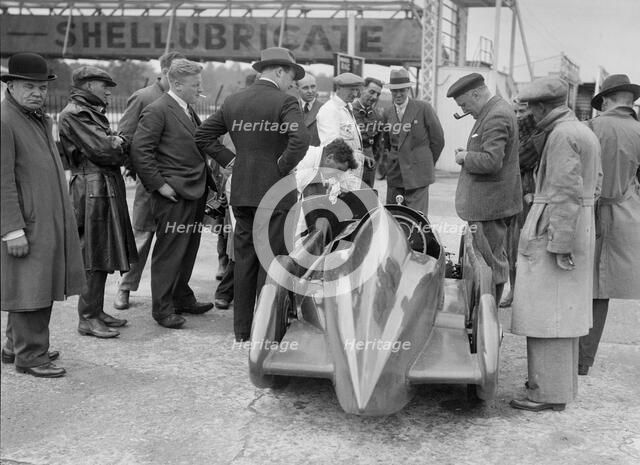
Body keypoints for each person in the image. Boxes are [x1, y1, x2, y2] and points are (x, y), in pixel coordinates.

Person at [195, 47, 309, 342]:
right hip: (275, 194)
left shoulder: (235, 100)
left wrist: (232, 161)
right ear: (279, 71)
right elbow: (300, 140)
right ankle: (266, 329)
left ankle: (242, 331)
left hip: (243, 193)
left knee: (244, 261)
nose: (291, 83)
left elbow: (202, 135)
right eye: (291, 76)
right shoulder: (286, 101)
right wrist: (281, 168)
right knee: (271, 261)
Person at [510, 77, 602, 412]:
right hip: (577, 225)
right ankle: (558, 388)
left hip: (557, 229)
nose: (529, 113)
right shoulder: (580, 130)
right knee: (564, 315)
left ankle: (545, 393)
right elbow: (594, 184)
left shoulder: (562, 135)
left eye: (531, 107)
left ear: (541, 106)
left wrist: (560, 243)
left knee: (547, 316)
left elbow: (564, 192)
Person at [1, 52, 85, 377]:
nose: (37, 92)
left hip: (41, 220)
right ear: (11, 86)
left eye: (41, 87)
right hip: (25, 224)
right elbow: (2, 181)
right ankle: (31, 356)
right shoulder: (6, 120)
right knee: (31, 288)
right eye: (29, 86)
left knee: (32, 285)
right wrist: (11, 230)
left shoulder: (33, 116)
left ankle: (14, 346)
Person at [131, 59, 213, 329]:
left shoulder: (186, 108)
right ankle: (163, 309)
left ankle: (181, 296)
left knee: (188, 248)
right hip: (173, 195)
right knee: (169, 252)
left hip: (193, 191)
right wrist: (160, 185)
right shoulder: (158, 110)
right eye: (195, 84)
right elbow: (140, 152)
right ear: (176, 84)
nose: (199, 89)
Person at [58, 66, 138, 338]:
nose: (108, 90)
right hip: (92, 187)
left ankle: (97, 310)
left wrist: (117, 143)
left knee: (103, 250)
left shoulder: (88, 112)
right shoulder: (75, 113)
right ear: (88, 85)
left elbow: (112, 149)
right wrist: (119, 142)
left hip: (102, 185)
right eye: (104, 84)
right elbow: (105, 150)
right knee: (93, 253)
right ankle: (87, 317)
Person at [114, 50, 185, 311]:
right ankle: (125, 288)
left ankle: (172, 294)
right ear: (165, 72)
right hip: (149, 186)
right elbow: (125, 138)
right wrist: (140, 174)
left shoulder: (181, 100)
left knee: (173, 242)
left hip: (176, 187)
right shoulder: (144, 97)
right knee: (142, 238)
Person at [579, 74, 640, 375]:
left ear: (605, 100)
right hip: (623, 215)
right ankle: (584, 360)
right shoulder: (639, 131)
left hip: (587, 211)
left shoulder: (591, 127)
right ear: (630, 100)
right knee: (601, 289)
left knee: (577, 281)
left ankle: (570, 355)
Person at [447, 73, 522, 302]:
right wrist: (469, 154)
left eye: (465, 104)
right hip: (489, 204)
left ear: (476, 93)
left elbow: (492, 161)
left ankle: (488, 318)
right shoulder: (495, 110)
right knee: (487, 261)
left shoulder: (496, 115)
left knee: (489, 264)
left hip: (489, 207)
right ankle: (486, 315)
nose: (465, 110)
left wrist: (466, 157)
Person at [383, 68, 445, 215]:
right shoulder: (388, 112)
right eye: (394, 91)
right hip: (395, 175)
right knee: (393, 218)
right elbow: (387, 143)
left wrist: (425, 161)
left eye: (402, 90)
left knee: (417, 218)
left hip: (418, 175)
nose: (398, 94)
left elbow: (438, 140)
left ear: (408, 89)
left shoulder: (424, 108)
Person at [500, 100, 541, 307]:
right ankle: (514, 291)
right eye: (515, 111)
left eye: (523, 110)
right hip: (513, 195)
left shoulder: (538, 136)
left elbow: (517, 158)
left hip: (530, 197)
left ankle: (523, 293)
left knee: (523, 247)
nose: (518, 116)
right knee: (510, 247)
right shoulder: (517, 134)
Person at [316, 72, 369, 182]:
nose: (355, 94)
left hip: (351, 172)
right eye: (351, 90)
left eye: (356, 90)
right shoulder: (330, 110)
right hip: (339, 175)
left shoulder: (347, 107)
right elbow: (331, 147)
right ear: (339, 88)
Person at [353, 77, 385, 188]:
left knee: (366, 200)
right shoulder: (349, 112)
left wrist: (371, 159)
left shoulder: (377, 117)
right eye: (372, 92)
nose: (374, 97)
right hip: (350, 166)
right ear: (362, 89)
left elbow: (377, 145)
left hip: (368, 168)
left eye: (378, 94)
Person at [297, 73, 322, 146]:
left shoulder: (324, 109)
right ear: (297, 89)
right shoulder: (290, 108)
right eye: (305, 88)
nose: (310, 91)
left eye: (313, 87)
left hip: (316, 155)